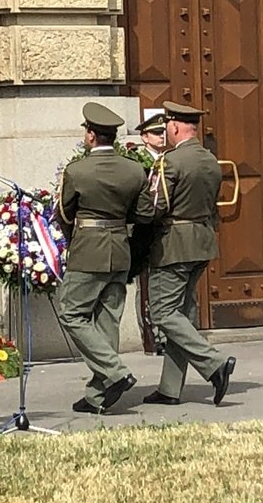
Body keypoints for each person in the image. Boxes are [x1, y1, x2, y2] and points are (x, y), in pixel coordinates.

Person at [136, 101, 235, 406]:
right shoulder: (209, 160)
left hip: (175, 244)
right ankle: (169, 389)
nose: (166, 130)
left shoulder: (171, 161)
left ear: (175, 126)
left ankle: (214, 363)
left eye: (167, 125)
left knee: (164, 312)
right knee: (182, 314)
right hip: (202, 241)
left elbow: (155, 207)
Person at [56, 102, 146, 414]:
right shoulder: (135, 170)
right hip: (120, 247)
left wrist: (74, 241)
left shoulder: (77, 170)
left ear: (92, 136)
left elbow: (65, 213)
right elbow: (143, 212)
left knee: (71, 312)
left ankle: (115, 372)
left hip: (88, 248)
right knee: (108, 319)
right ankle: (99, 394)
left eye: (86, 130)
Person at [131, 113, 168, 356]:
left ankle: (166, 334)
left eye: (164, 132)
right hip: (144, 229)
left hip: (166, 230)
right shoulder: (137, 160)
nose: (162, 136)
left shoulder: (172, 159)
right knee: (143, 286)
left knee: (163, 284)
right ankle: (150, 335)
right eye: (156, 133)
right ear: (145, 137)